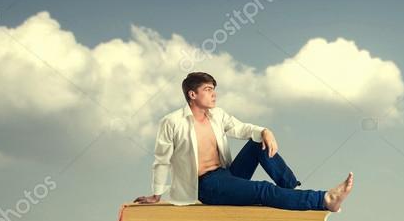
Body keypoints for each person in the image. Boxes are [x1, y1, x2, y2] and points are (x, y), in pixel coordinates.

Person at [134, 72, 354, 211]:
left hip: (226, 175)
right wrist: (156, 194)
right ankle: (325, 200)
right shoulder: (172, 122)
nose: (214, 95)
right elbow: (161, 161)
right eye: (208, 90)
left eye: (214, 90)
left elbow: (241, 128)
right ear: (192, 94)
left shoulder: (217, 115)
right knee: (262, 190)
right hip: (205, 186)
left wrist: (265, 131)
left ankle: (292, 190)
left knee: (258, 142)